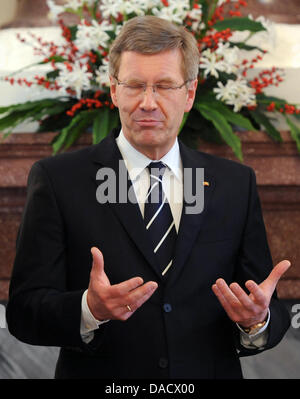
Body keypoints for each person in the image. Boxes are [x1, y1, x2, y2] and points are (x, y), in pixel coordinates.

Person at [6, 15, 291, 379]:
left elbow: (268, 308)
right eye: (135, 84)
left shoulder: (235, 184)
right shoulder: (58, 180)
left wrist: (257, 321)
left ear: (188, 94)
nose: (148, 102)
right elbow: (23, 312)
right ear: (113, 90)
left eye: (164, 86)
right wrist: (88, 310)